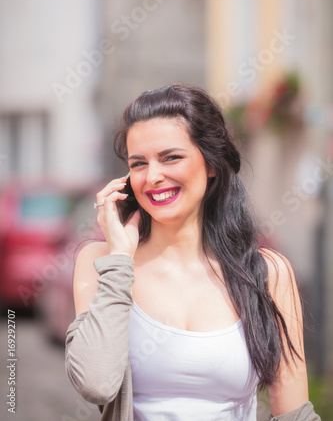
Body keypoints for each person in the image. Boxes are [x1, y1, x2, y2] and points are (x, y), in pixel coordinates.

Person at [65, 84, 320, 421]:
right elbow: (96, 384)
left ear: (211, 164)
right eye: (138, 163)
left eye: (171, 157)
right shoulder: (100, 262)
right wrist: (120, 262)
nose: (153, 176)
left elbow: (293, 414)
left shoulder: (267, 273)